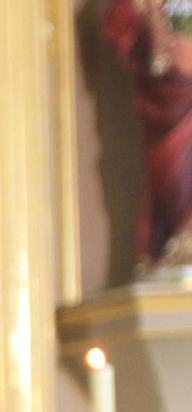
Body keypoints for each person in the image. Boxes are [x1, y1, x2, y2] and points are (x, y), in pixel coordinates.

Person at [105, 0, 192, 267]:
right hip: (171, 95)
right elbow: (120, 21)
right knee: (176, 168)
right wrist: (152, 22)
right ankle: (184, 237)